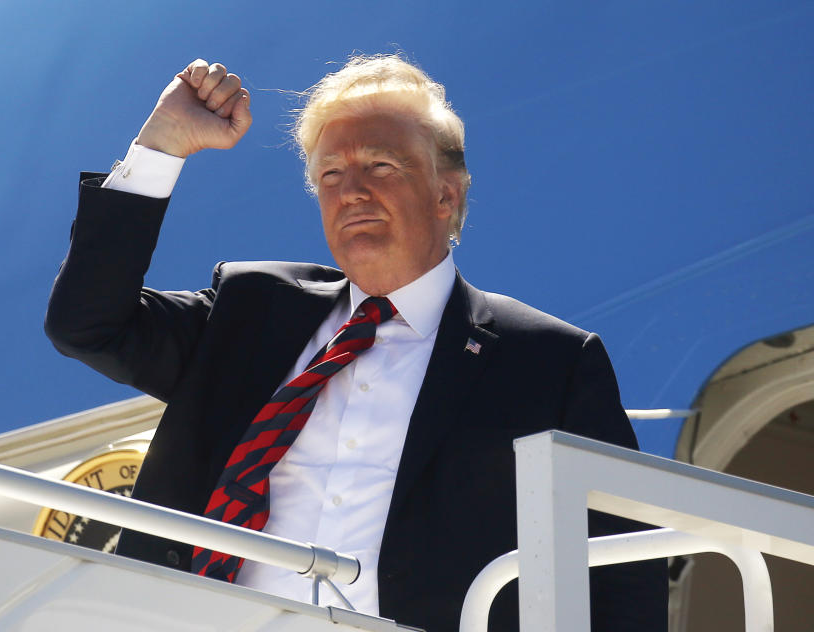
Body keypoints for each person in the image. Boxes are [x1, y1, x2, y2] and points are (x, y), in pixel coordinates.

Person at [46, 55, 666, 631]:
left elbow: (622, 573)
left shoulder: (547, 361)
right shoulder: (252, 308)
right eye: (331, 175)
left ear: (446, 195)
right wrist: (161, 148)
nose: (351, 191)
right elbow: (87, 324)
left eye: (380, 166)